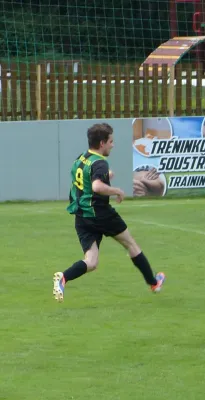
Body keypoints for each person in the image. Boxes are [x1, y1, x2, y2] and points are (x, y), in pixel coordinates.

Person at [52, 123, 165, 302]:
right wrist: (117, 191)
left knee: (91, 261)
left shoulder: (81, 158)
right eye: (111, 141)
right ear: (102, 142)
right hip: (101, 214)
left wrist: (106, 175)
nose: (113, 145)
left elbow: (87, 179)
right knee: (131, 245)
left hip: (82, 217)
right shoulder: (100, 163)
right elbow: (96, 186)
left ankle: (63, 278)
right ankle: (153, 283)